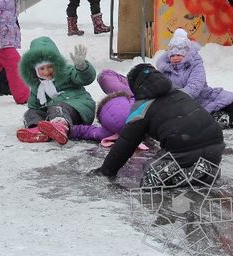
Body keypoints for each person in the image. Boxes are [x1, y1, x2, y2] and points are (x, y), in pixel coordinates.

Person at [93, 63, 225, 187]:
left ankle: (189, 175)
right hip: (216, 145)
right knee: (197, 156)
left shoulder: (141, 109)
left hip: (183, 148)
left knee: (149, 177)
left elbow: (126, 143)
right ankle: (207, 172)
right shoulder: (181, 93)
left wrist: (106, 171)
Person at [16, 37, 96, 145]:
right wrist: (33, 113)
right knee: (30, 112)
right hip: (53, 111)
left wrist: (82, 68)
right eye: (42, 68)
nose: (46, 71)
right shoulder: (37, 85)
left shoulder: (67, 71)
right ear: (35, 70)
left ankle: (60, 126)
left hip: (78, 107)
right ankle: (38, 130)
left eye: (50, 67)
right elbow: (34, 105)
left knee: (58, 107)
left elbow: (85, 79)